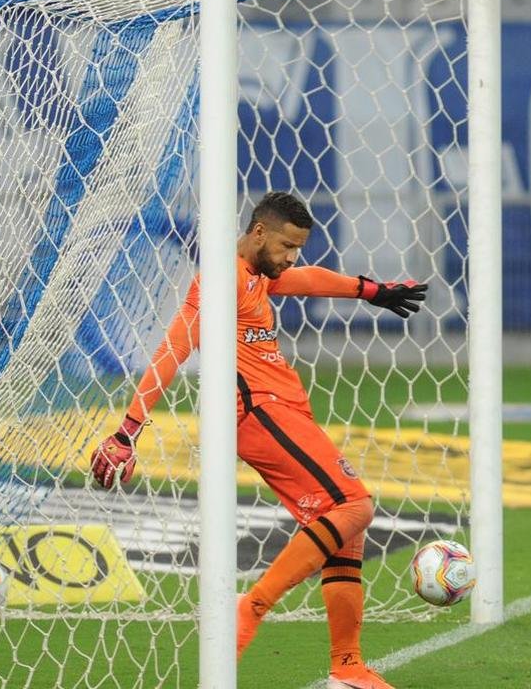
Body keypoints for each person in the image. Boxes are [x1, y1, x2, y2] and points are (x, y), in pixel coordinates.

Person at [89, 191, 427, 689]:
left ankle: (347, 668)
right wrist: (128, 430)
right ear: (259, 233)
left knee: (345, 534)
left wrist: (370, 291)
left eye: (298, 248)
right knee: (354, 506)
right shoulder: (219, 283)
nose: (292, 257)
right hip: (260, 414)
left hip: (287, 412)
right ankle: (249, 607)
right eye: (287, 245)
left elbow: (306, 280)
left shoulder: (257, 277)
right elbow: (173, 348)